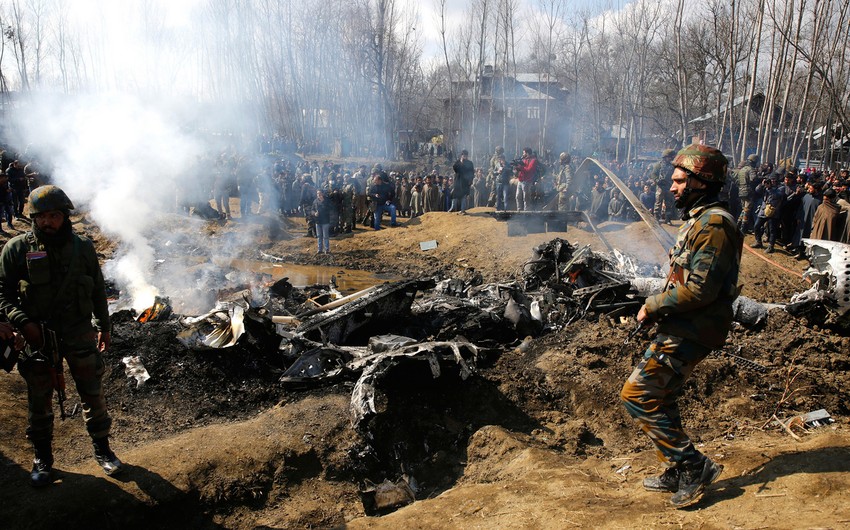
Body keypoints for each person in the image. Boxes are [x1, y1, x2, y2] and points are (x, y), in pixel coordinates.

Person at [620, 144, 742, 509]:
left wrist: (652, 305)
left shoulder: (715, 225)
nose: (671, 187)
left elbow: (701, 289)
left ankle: (693, 466)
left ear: (702, 181)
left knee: (637, 394)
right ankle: (675, 466)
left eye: (678, 180)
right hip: (683, 324)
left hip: (694, 327)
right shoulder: (700, 219)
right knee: (663, 396)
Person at [0, 185, 122, 487]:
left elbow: (96, 288)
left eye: (53, 216)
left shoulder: (83, 247)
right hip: (38, 335)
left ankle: (103, 449)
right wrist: (24, 323)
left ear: (64, 216)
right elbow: (2, 295)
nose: (47, 223)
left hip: (79, 331)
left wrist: (103, 326)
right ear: (33, 218)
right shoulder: (16, 249)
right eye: (41, 217)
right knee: (39, 398)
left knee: (92, 391)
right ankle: (42, 458)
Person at [648, 149, 677, 223]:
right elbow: (653, 174)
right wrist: (657, 180)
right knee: (658, 203)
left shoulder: (672, 166)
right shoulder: (658, 165)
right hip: (660, 187)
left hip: (669, 186)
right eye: (669, 157)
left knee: (668, 203)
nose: (671, 158)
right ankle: (656, 218)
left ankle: (668, 219)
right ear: (665, 157)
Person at [736, 154, 759, 232]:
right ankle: (743, 228)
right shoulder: (751, 169)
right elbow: (754, 179)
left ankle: (738, 224)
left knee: (744, 209)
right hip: (748, 192)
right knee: (747, 210)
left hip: (741, 191)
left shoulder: (742, 169)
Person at [312, 188, 332, 254]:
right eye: (317, 193)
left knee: (325, 236)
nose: (319, 195)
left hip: (325, 221)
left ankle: (327, 249)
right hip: (318, 221)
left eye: (320, 193)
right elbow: (312, 210)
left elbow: (330, 209)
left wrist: (323, 204)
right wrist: (314, 213)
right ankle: (319, 249)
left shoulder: (327, 201)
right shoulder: (315, 201)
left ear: (322, 194)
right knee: (319, 236)